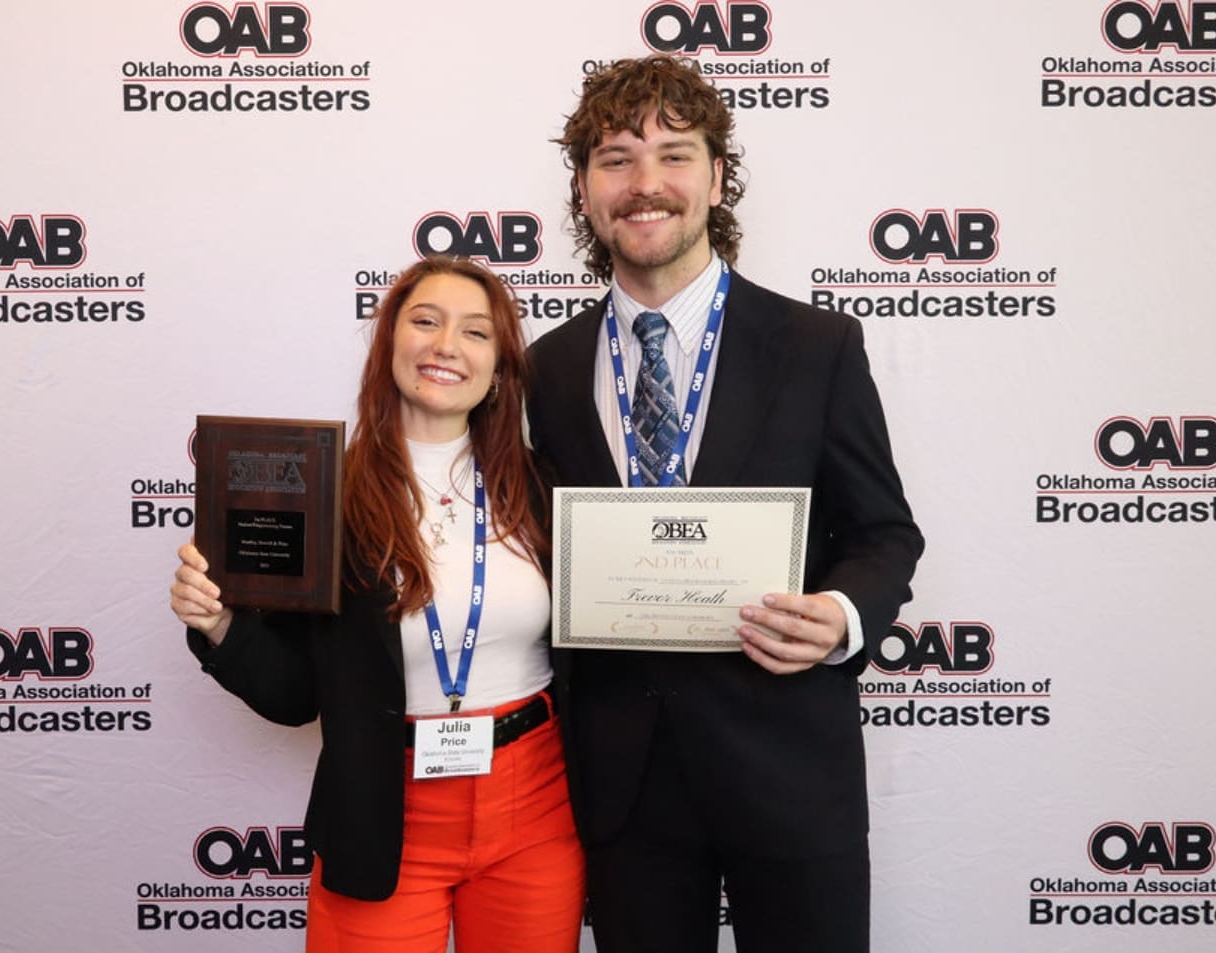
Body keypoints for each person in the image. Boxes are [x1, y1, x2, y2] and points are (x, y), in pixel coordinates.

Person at [526, 55, 925, 953]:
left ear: (716, 177)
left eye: (674, 154)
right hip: (622, 783)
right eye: (616, 158)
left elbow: (883, 531)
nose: (646, 183)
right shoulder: (545, 368)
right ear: (585, 188)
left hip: (788, 763)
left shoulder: (817, 344)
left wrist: (842, 613)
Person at [169, 256, 585, 953]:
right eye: (425, 321)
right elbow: (296, 696)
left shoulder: (541, 489)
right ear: (390, 342)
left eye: (475, 332)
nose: (446, 345)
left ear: (499, 368)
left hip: (536, 805)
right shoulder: (322, 492)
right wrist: (219, 624)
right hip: (381, 809)